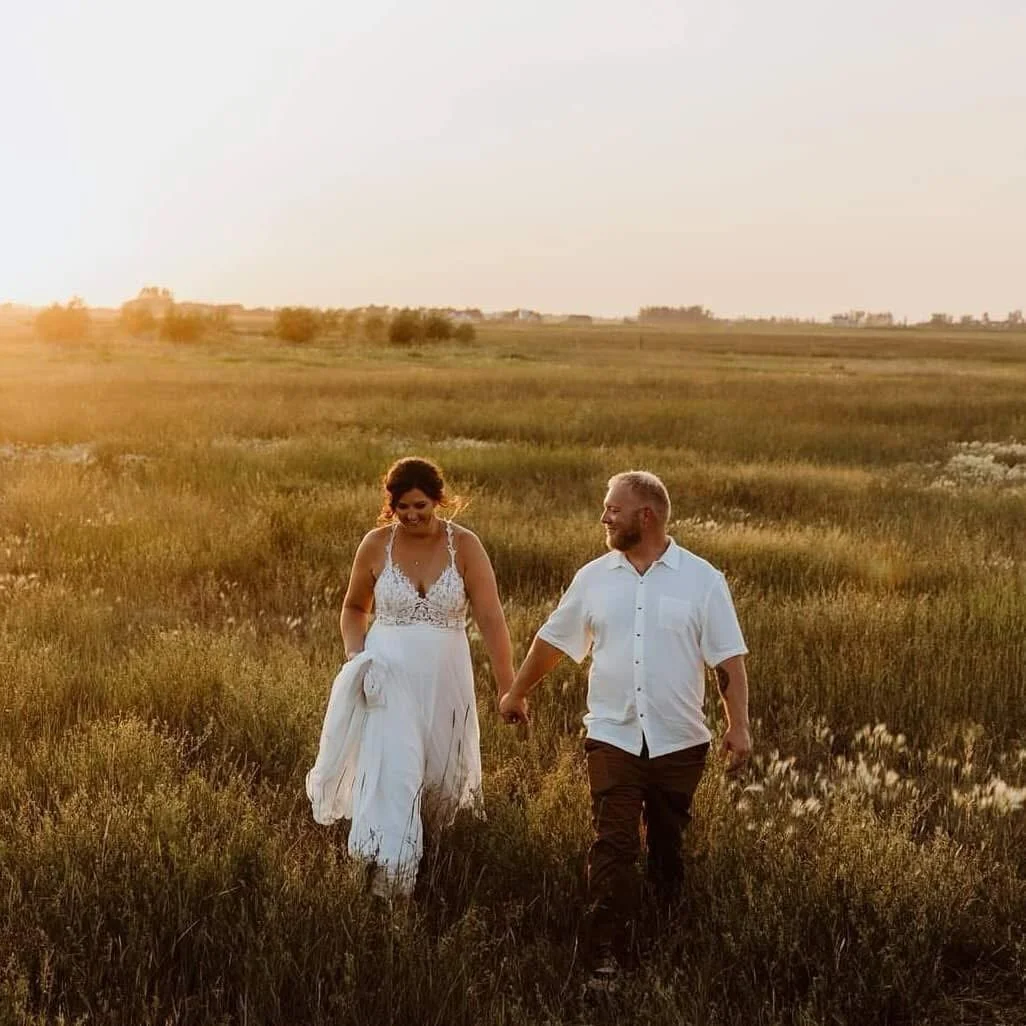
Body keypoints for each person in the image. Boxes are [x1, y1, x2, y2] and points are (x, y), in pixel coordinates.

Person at [499, 471, 751, 982]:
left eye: (613, 508)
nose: (604, 516)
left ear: (646, 516)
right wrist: (518, 690)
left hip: (679, 741)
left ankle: (667, 934)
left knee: (666, 842)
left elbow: (728, 661)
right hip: (612, 734)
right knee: (614, 842)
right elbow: (553, 642)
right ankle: (603, 953)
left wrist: (738, 726)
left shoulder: (702, 579)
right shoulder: (594, 577)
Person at [307, 457, 514, 898]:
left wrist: (507, 685)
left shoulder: (466, 545)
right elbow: (353, 608)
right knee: (392, 774)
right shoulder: (375, 544)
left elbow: (491, 617)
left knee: (441, 778)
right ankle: (390, 883)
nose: (412, 515)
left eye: (420, 505)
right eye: (402, 507)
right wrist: (356, 657)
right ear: (391, 505)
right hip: (388, 678)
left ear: (438, 500)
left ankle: (434, 864)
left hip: (446, 680)